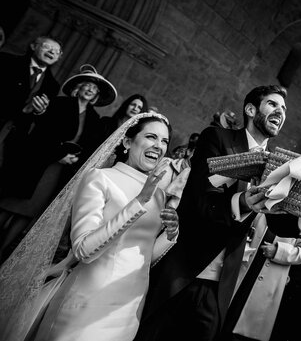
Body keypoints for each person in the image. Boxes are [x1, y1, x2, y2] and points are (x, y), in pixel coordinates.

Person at [135, 85, 301, 341]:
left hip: (223, 283)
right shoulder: (218, 139)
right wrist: (243, 203)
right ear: (250, 109)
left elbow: (277, 220)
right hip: (186, 268)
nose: (280, 111)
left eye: (284, 109)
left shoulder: (277, 164)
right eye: (273, 104)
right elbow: (201, 199)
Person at [0, 112, 189, 341]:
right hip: (86, 300)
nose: (159, 146)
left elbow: (142, 258)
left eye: (165, 141)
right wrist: (138, 202)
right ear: (128, 142)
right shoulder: (100, 178)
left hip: (129, 307)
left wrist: (171, 234)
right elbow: (83, 249)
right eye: (151, 137)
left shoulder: (159, 194)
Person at [0, 64, 117, 260]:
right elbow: (41, 133)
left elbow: (89, 146)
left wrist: (74, 159)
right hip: (38, 161)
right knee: (11, 204)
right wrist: (58, 154)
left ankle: (2, 250)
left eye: (94, 88)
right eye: (87, 85)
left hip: (59, 171)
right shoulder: (58, 103)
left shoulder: (95, 119)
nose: (90, 89)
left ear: (97, 95)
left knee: (30, 210)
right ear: (77, 87)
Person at [229, 212, 301, 341]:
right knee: (228, 314)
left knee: (245, 330)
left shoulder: (299, 218)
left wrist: (278, 251)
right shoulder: (266, 208)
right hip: (245, 268)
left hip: (269, 279)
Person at [0, 35, 62, 169]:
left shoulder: (53, 85)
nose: (52, 52)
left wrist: (40, 112)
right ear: (34, 46)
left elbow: (42, 123)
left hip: (12, 140)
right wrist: (21, 109)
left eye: (57, 52)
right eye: (47, 47)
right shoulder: (6, 61)